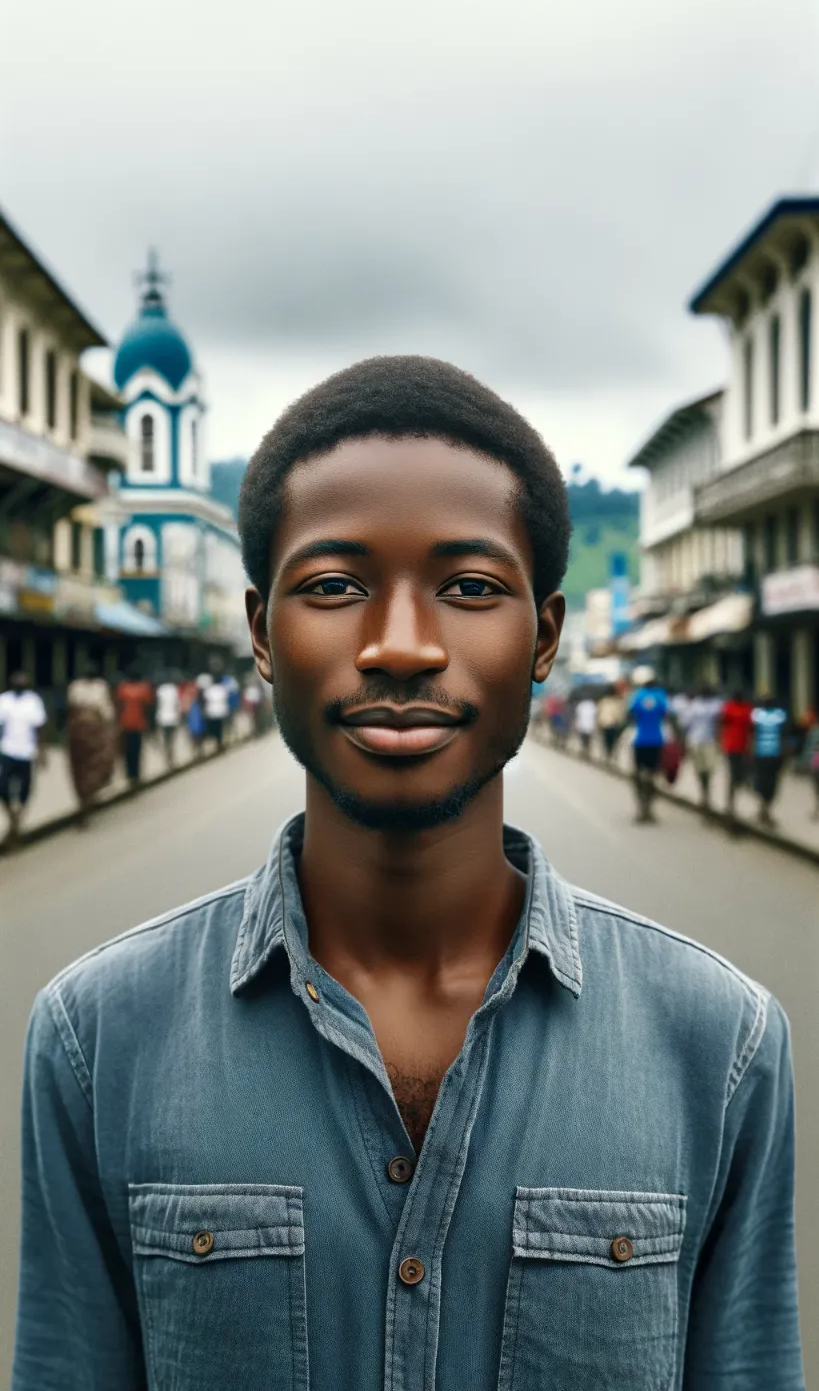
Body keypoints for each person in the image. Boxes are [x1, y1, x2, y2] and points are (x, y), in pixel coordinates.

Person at [13, 357, 803, 1390]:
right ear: (261, 632)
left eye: (470, 587)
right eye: (334, 586)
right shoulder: (95, 1039)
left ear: (545, 636)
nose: (398, 646)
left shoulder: (723, 1046)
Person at [65, 663, 117, 825]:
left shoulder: (101, 687)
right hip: (79, 734)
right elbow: (71, 708)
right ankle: (83, 803)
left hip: (96, 733)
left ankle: (87, 801)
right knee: (79, 770)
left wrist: (109, 730)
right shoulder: (75, 687)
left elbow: (107, 711)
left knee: (99, 765)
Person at [0, 671, 47, 849]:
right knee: (3, 788)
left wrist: (42, 752)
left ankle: (15, 826)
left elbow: (39, 728)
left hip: (26, 752)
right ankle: (14, 821)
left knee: (24, 791)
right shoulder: (4, 700)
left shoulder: (33, 701)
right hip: (7, 750)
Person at [627, 671, 668, 823]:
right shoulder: (660, 696)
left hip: (640, 741)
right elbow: (665, 714)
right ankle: (649, 809)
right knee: (652, 776)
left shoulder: (637, 695)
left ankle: (641, 809)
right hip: (656, 740)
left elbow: (630, 715)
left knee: (637, 775)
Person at [682, 685, 724, 817]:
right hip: (697, 742)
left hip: (709, 742)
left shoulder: (716, 705)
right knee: (702, 770)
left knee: (708, 769)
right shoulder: (695, 706)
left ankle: (706, 794)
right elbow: (686, 725)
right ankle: (704, 794)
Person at [752, 694, 789, 828]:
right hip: (773, 755)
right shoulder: (779, 715)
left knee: (763, 782)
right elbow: (784, 736)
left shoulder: (757, 715)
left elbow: (752, 734)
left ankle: (764, 809)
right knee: (771, 783)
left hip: (762, 754)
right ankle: (766, 809)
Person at [115, 665, 154, 787]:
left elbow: (118, 706)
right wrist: (150, 725)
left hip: (125, 723)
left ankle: (130, 774)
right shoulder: (144, 688)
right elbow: (148, 708)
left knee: (127, 751)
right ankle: (136, 774)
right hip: (139, 724)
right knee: (136, 750)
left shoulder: (122, 688)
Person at [720, 689, 754, 825]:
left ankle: (733, 799)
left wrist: (750, 746)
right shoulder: (729, 708)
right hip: (731, 746)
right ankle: (731, 803)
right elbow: (722, 724)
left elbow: (751, 728)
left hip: (743, 746)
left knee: (740, 775)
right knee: (734, 774)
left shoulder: (747, 709)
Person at [200, 662, 231, 752]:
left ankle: (216, 743)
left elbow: (205, 700)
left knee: (214, 728)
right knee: (220, 728)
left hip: (212, 712)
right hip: (221, 711)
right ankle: (219, 743)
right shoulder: (222, 689)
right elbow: (226, 699)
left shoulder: (209, 690)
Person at [155, 671, 181, 766]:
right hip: (173, 717)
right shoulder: (174, 689)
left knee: (166, 738)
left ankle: (167, 755)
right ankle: (171, 755)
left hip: (162, 717)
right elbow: (177, 704)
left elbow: (157, 704)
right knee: (172, 738)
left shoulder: (160, 690)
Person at [596, 684, 626, 761]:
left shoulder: (603, 701)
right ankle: (609, 755)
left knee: (606, 740)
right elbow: (620, 713)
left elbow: (599, 712)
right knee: (611, 741)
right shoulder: (617, 701)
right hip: (612, 723)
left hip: (605, 723)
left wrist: (599, 722)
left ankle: (608, 755)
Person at [573, 694, 597, 758]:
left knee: (583, 738)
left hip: (583, 724)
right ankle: (586, 750)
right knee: (588, 739)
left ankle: (584, 749)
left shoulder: (581, 704)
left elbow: (577, 714)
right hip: (589, 725)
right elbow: (595, 715)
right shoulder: (593, 705)